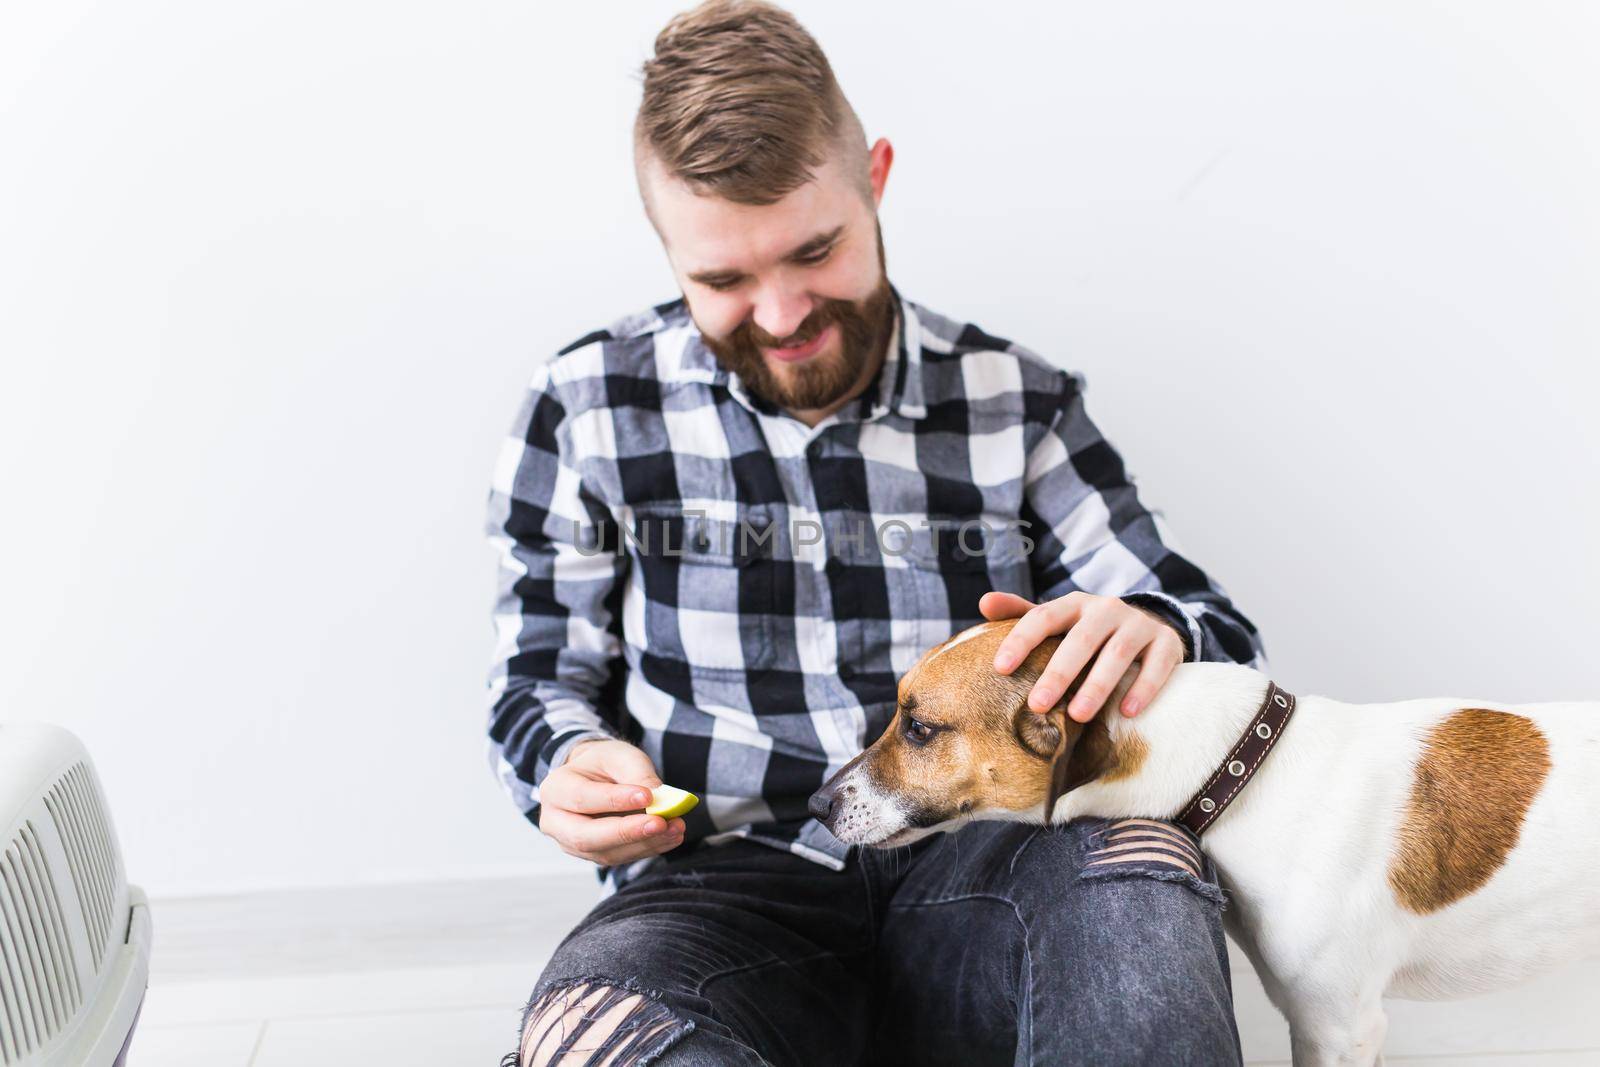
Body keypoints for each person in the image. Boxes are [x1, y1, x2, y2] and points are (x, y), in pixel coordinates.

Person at [485, 2, 1268, 1063]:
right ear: (667, 249)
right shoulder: (585, 406)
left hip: (994, 869)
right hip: (718, 895)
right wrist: (567, 764)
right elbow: (535, 680)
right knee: (599, 1036)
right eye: (721, 278)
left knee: (1142, 880)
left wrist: (1147, 627)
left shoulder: (1016, 401)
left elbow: (1212, 626)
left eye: (815, 249)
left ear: (877, 180)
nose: (779, 314)